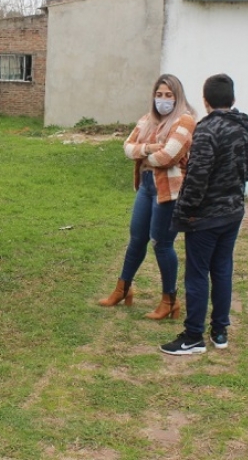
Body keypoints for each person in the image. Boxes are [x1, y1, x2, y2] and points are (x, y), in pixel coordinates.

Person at [161, 74, 248, 355]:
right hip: (233, 212)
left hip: (206, 217)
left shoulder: (206, 131)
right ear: (233, 99)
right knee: (223, 269)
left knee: (198, 274)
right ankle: (220, 331)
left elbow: (197, 178)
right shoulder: (244, 130)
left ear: (205, 100)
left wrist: (185, 213)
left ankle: (193, 337)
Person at [99, 74, 197, 320]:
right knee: (137, 238)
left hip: (169, 190)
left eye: (168, 95)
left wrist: (144, 156)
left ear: (178, 97)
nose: (163, 100)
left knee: (161, 243)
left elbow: (170, 156)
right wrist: (147, 150)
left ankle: (170, 300)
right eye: (159, 94)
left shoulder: (185, 120)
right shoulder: (147, 119)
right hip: (146, 186)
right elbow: (127, 147)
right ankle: (123, 288)